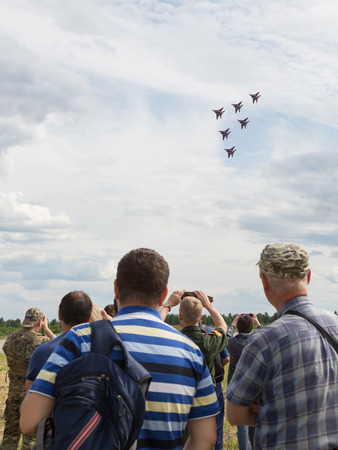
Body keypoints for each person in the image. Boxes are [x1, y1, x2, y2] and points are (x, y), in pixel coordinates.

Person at [20, 248, 219, 450]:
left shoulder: (80, 339)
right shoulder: (190, 352)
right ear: (164, 295)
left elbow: (28, 421)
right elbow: (205, 438)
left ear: (116, 289)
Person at [226, 243, 338, 449]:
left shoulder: (263, 340)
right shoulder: (335, 325)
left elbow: (235, 414)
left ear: (264, 281)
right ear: (309, 276)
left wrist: (275, 410)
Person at [0, 308, 54, 450]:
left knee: (10, 433)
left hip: (13, 393)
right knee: (30, 437)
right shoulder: (41, 341)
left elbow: (6, 350)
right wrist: (47, 329)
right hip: (31, 393)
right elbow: (60, 345)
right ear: (40, 321)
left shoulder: (11, 337)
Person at [26, 291, 92, 390]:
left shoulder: (42, 352)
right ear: (89, 317)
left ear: (59, 314)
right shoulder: (104, 349)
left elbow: (30, 392)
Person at [226, 313, 261, 450]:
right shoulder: (257, 341)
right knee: (254, 422)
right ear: (251, 327)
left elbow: (227, 336)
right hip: (255, 386)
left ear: (238, 328)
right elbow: (266, 334)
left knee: (242, 426)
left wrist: (233, 323)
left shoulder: (232, 343)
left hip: (237, 386)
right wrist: (258, 323)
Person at [179, 291, 228, 386]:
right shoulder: (209, 340)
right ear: (200, 317)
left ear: (180, 316)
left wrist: (168, 305)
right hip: (206, 393)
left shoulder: (173, 339)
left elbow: (155, 327)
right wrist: (208, 305)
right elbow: (222, 326)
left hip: (182, 393)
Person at [200, 321, 230, 450]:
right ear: (200, 316)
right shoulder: (211, 331)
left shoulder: (179, 335)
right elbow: (226, 358)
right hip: (212, 385)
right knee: (216, 427)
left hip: (187, 386)